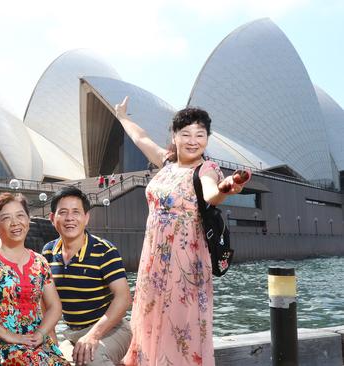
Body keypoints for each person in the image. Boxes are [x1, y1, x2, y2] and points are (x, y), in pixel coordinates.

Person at [114, 97, 247, 366]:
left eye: (200, 134)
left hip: (185, 263)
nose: (193, 140)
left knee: (180, 326)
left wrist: (227, 187)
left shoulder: (207, 169)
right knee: (151, 321)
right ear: (174, 136)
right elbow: (141, 139)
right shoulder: (166, 164)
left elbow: (211, 193)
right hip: (153, 262)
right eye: (185, 133)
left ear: (207, 138)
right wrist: (122, 117)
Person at [0, 193, 70, 365]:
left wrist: (40, 334)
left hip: (33, 343)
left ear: (28, 220)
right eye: (6, 218)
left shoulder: (40, 262)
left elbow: (54, 306)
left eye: (20, 215)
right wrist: (10, 336)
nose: (15, 222)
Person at [42, 186, 132, 366]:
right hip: (72, 335)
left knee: (91, 360)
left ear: (86, 217)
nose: (69, 218)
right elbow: (45, 304)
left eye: (76, 212)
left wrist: (93, 336)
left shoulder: (104, 250)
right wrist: (53, 346)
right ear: (52, 218)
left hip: (112, 330)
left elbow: (124, 298)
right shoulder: (48, 252)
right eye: (63, 212)